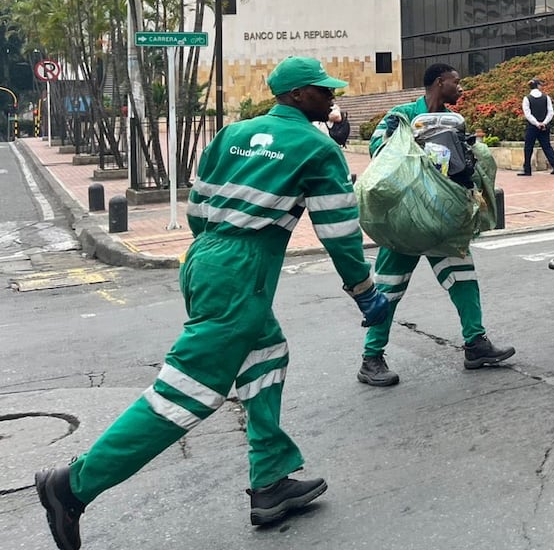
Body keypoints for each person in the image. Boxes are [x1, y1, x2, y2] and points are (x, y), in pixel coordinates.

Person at [34, 56, 391, 550]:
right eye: (321, 90)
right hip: (243, 270)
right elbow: (338, 230)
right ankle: (72, 486)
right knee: (186, 392)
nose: (331, 97)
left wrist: (218, 255)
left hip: (204, 258)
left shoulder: (231, 134)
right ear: (294, 96)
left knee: (266, 354)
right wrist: (364, 291)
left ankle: (271, 481)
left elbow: (199, 210)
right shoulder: (317, 147)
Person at [357, 62, 514, 388]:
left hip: (442, 217)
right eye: (456, 83)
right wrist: (417, 142)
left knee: (464, 278)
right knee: (388, 288)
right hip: (408, 219)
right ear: (439, 82)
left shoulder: (453, 121)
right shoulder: (401, 116)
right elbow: (379, 149)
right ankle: (371, 358)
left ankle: (476, 344)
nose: (460, 88)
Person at [518, 77, 554, 177]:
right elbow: (551, 112)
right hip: (545, 126)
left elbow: (527, 114)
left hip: (532, 127)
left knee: (528, 147)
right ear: (538, 86)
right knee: (547, 147)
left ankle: (527, 170)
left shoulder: (527, 98)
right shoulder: (546, 97)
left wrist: (536, 123)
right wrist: (543, 123)